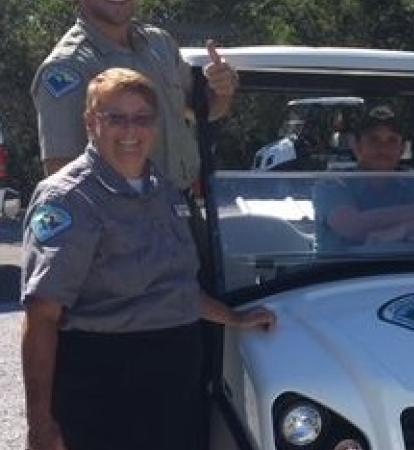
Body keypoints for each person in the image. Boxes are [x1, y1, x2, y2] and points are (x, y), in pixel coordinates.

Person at [20, 68, 276, 450]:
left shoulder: (164, 190)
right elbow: (41, 317)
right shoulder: (68, 199)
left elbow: (173, 288)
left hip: (174, 391)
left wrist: (234, 317)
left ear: (155, 126)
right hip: (105, 393)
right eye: (116, 118)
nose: (130, 131)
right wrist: (40, 423)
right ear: (91, 122)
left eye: (142, 118)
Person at [31, 0, 237, 189]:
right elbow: (62, 178)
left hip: (181, 211)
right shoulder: (67, 68)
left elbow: (206, 112)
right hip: (122, 221)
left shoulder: (160, 45)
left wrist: (220, 90)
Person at [313, 105, 414, 252]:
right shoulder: (332, 181)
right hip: (341, 271)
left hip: (410, 269)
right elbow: (350, 226)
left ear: (402, 149)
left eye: (392, 140)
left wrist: (399, 231)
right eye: (373, 139)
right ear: (356, 145)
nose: (383, 148)